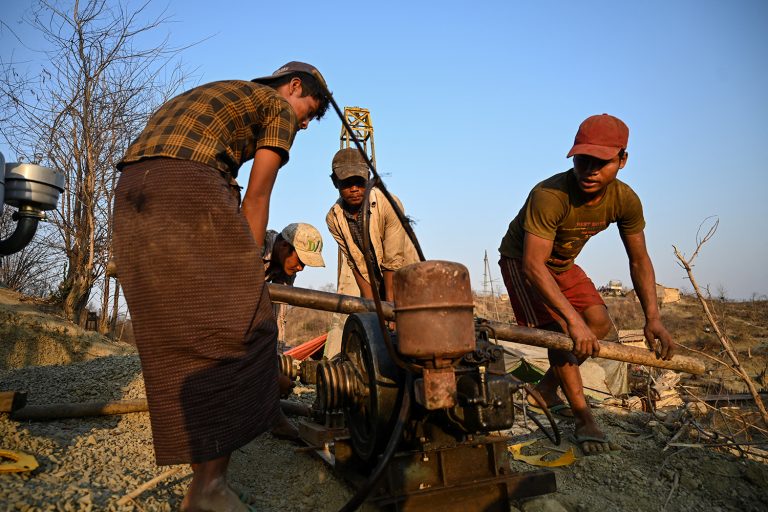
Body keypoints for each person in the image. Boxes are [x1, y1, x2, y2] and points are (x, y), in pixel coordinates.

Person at [112, 61, 329, 511]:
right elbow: (258, 194)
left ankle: (208, 471)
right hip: (187, 183)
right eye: (309, 111)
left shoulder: (223, 92)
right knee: (245, 324)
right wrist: (249, 272)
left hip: (133, 184)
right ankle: (208, 489)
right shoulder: (277, 108)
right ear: (293, 87)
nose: (304, 124)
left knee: (178, 332)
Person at [498, 114, 675, 455]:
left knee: (598, 323)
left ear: (622, 160)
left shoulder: (625, 200)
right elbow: (534, 265)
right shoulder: (550, 195)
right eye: (583, 159)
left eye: (602, 162)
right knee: (565, 334)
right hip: (523, 263)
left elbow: (639, 260)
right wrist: (570, 320)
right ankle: (583, 417)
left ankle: (546, 391)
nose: (590, 170)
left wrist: (653, 318)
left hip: (563, 265)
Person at [324, 147, 419, 356]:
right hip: (376, 282)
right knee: (376, 334)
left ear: (368, 178)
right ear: (335, 183)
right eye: (347, 184)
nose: (354, 189)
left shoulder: (387, 203)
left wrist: (389, 307)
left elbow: (393, 260)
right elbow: (355, 262)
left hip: (405, 278)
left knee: (412, 339)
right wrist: (372, 307)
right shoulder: (334, 218)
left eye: (359, 182)